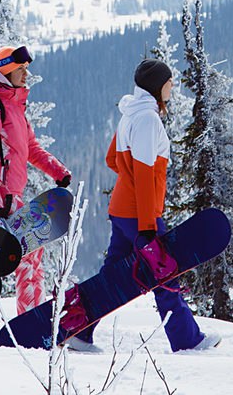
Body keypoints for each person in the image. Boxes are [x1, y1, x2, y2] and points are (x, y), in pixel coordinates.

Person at [67, 58, 218, 354]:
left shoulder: (130, 114)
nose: (172, 86)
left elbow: (113, 160)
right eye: (168, 81)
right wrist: (149, 225)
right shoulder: (148, 119)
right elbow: (146, 173)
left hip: (123, 208)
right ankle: (187, 339)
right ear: (156, 85)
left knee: (112, 275)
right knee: (164, 272)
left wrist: (129, 181)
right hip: (139, 214)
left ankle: (80, 331)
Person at [0, 44, 71, 313]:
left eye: (27, 69)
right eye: (20, 69)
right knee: (26, 252)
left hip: (11, 195)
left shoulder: (14, 107)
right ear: (5, 71)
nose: (26, 75)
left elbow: (32, 149)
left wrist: (58, 172)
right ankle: (30, 316)